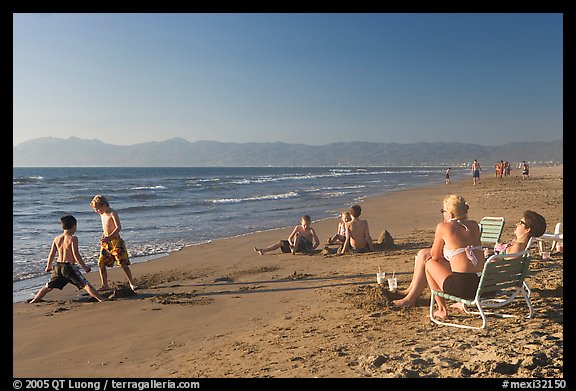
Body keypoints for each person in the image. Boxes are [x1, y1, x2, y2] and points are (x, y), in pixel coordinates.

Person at [393, 194, 483, 309]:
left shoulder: (444, 227)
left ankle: (441, 308)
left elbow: (435, 256)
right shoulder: (474, 225)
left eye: (443, 211)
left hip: (462, 289)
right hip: (480, 285)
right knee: (424, 254)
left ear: (450, 214)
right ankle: (410, 294)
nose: (442, 213)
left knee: (428, 262)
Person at [30, 215, 106, 303]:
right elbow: (76, 254)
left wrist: (48, 266)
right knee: (85, 284)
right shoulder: (73, 238)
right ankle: (101, 298)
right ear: (74, 226)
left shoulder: (57, 239)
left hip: (58, 266)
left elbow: (52, 254)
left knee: (48, 286)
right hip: (69, 267)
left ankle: (35, 299)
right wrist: (84, 267)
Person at [90, 195, 138, 291]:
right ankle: (105, 284)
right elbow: (106, 227)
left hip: (115, 241)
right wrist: (104, 236)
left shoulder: (112, 213)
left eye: (98, 209)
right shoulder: (102, 214)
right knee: (101, 263)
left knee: (122, 263)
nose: (97, 211)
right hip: (106, 242)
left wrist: (110, 237)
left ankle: (132, 282)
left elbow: (118, 227)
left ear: (104, 205)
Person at [255, 215, 320, 255]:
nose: (306, 227)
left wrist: (312, 249)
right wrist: (290, 243)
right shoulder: (298, 227)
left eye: (307, 225)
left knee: (298, 235)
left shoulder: (311, 230)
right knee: (281, 242)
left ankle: (293, 250)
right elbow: (289, 238)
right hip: (296, 244)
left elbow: (317, 242)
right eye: (304, 225)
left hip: (305, 246)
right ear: (301, 223)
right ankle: (263, 251)